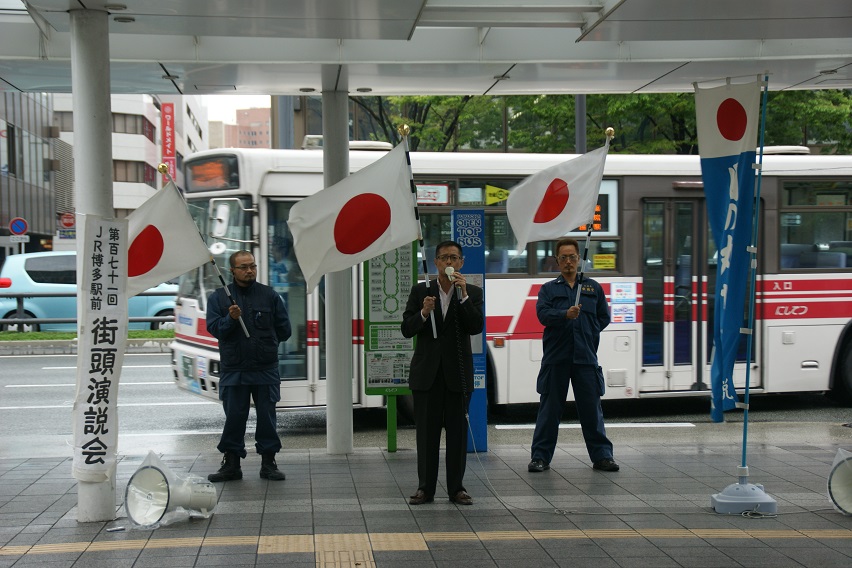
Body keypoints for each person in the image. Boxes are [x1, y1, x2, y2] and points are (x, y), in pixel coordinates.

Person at [402, 241, 484, 506]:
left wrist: (463, 296)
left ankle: (456, 488)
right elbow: (407, 329)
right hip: (427, 376)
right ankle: (425, 488)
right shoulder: (420, 291)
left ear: (461, 263)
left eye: (454, 258)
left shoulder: (471, 291)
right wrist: (424, 312)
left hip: (457, 377)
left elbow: (475, 327)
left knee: (458, 435)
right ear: (435, 262)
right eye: (443, 258)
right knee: (426, 436)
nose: (449, 263)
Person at [528, 238, 619, 473]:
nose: (568, 261)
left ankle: (602, 457)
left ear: (579, 259)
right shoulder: (549, 289)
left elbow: (603, 318)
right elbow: (543, 315)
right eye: (563, 258)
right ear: (557, 261)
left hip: (585, 358)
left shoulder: (592, 288)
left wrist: (588, 332)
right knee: (549, 411)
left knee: (591, 410)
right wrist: (564, 315)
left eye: (572, 257)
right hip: (556, 358)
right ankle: (540, 457)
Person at [206, 250, 292, 482]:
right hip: (234, 369)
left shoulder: (269, 295)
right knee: (234, 417)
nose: (249, 270)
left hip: (265, 368)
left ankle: (268, 463)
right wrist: (230, 319)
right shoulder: (219, 298)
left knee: (267, 417)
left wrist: (268, 343)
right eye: (243, 267)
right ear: (232, 270)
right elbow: (215, 330)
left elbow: (285, 330)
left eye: (252, 266)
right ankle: (231, 464)